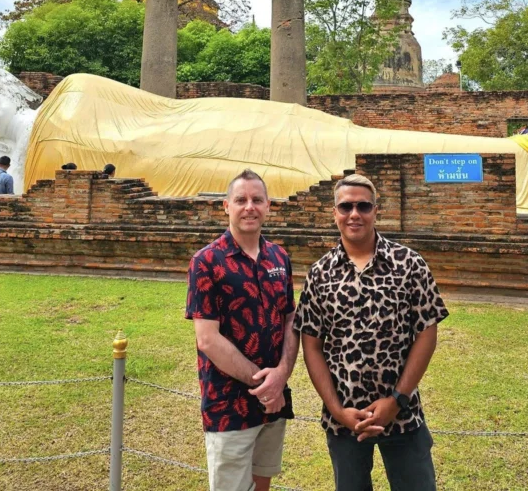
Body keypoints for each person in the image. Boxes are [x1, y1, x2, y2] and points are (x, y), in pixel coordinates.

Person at [295, 174, 448, 491]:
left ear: (376, 210)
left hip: (402, 412)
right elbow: (311, 345)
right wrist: (338, 410)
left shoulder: (408, 264)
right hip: (345, 417)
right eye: (346, 206)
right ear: (334, 212)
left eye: (363, 206)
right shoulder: (320, 273)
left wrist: (396, 400)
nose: (354, 214)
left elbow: (426, 332)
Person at [185, 169, 299, 491]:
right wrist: (266, 385)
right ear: (226, 206)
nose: (249, 207)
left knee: (263, 482)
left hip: (274, 401)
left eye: (257, 200)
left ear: (268, 206)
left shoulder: (279, 257)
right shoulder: (206, 261)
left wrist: (281, 376)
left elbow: (290, 318)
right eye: (241, 200)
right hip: (229, 405)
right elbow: (207, 339)